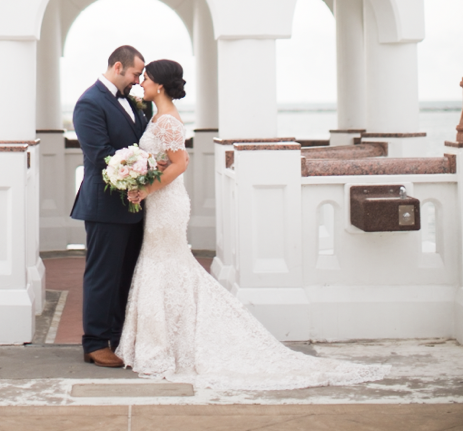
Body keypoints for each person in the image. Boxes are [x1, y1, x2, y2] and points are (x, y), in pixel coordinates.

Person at [118, 59, 387, 391]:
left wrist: (146, 187)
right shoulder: (156, 116)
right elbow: (160, 159)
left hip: (168, 204)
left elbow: (180, 162)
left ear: (159, 84)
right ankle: (168, 342)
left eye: (145, 78)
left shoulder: (169, 121)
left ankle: (173, 346)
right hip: (158, 204)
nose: (141, 82)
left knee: (168, 266)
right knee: (166, 266)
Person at [71, 45, 150, 368]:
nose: (137, 80)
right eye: (135, 74)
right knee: (102, 276)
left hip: (134, 205)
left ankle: (119, 337)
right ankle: (94, 342)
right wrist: (138, 174)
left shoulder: (132, 102)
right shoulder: (89, 103)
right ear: (118, 67)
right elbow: (100, 154)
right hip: (105, 204)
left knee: (126, 275)